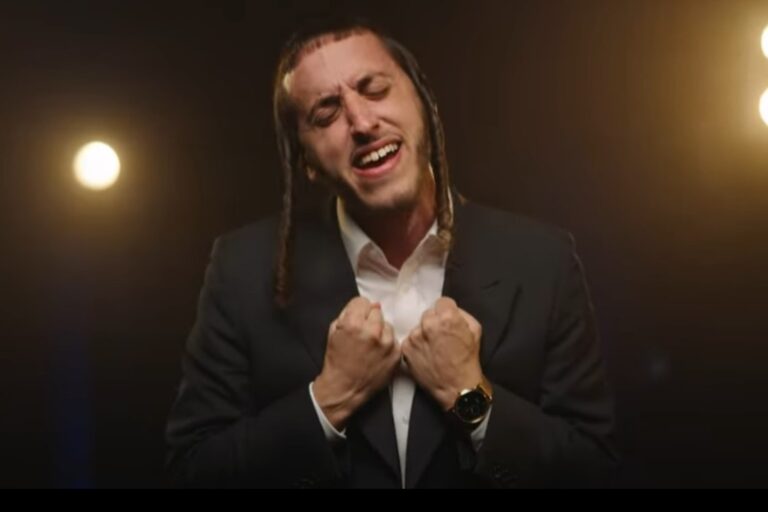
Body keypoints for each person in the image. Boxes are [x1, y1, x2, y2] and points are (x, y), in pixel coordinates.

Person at [165, 17, 618, 488]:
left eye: (375, 89)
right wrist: (329, 399)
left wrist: (469, 396)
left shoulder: (542, 261)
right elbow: (192, 470)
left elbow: (593, 469)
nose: (362, 123)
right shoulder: (242, 270)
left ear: (424, 102)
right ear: (307, 163)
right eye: (326, 113)